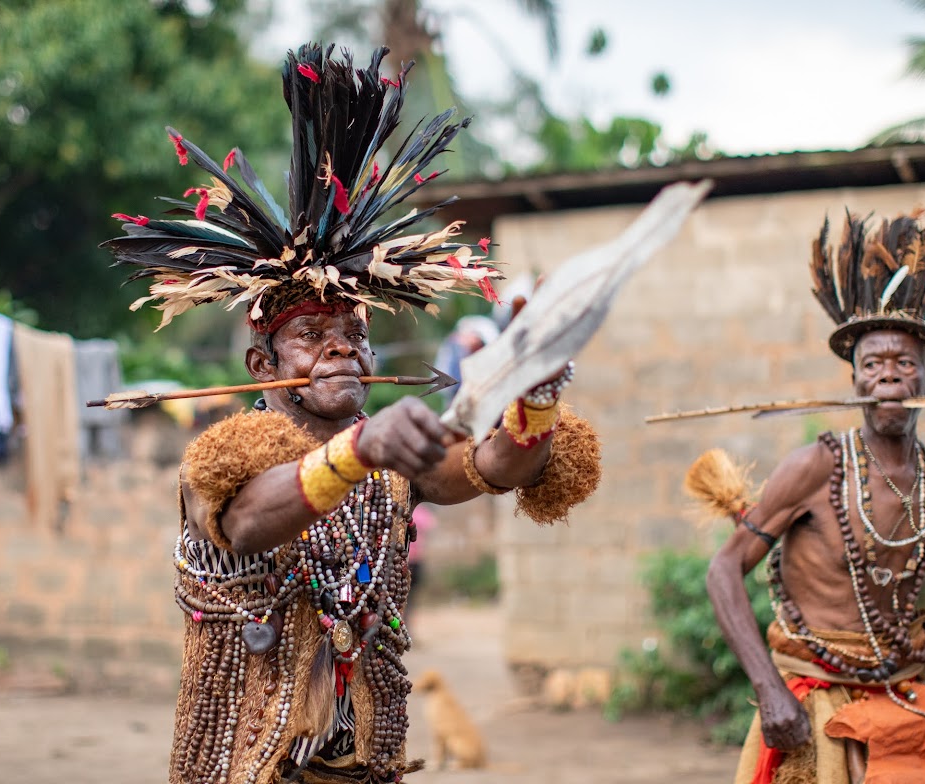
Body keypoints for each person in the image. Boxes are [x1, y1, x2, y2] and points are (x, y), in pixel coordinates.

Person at [103, 43, 601, 784]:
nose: (341, 352)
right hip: (249, 765)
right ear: (262, 367)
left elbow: (494, 466)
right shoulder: (225, 461)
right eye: (311, 337)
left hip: (363, 764)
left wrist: (535, 394)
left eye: (355, 337)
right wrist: (361, 448)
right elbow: (246, 522)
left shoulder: (392, 467)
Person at [703, 211, 925, 784]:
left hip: (904, 700)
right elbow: (724, 570)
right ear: (855, 382)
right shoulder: (815, 467)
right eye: (873, 365)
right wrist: (769, 689)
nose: (888, 377)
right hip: (813, 701)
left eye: (903, 365)